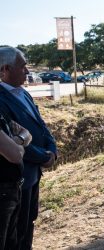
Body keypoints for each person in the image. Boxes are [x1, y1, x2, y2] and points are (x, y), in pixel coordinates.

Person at [0, 46, 57, 250]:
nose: (27, 71)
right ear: (4, 69)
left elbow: (40, 125)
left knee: (30, 221)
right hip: (16, 179)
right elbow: (14, 141)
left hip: (33, 174)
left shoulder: (23, 93)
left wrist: (52, 149)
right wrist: (43, 156)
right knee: (16, 231)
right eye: (22, 66)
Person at [0, 112, 31, 249]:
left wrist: (17, 140)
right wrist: (19, 142)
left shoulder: (2, 114)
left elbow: (27, 134)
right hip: (3, 192)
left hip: (11, 190)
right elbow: (16, 155)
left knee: (11, 242)